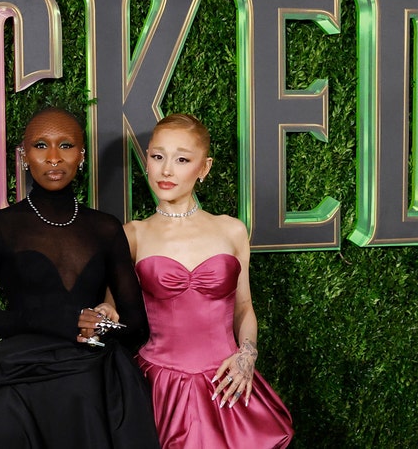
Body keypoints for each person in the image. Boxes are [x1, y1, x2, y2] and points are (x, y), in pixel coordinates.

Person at [0, 107, 160, 449]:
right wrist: (58, 320)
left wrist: (99, 326)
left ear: (81, 156)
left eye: (66, 145)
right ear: (24, 156)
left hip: (94, 375)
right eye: (41, 145)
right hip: (19, 375)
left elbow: (137, 326)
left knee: (87, 396)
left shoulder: (106, 227)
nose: (54, 158)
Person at [124, 113, 293, 448]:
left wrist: (247, 355)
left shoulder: (231, 229)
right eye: (158, 157)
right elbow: (112, 310)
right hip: (159, 384)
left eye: (182, 159)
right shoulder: (133, 234)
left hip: (226, 379)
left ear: (204, 168)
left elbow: (244, 307)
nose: (167, 170)